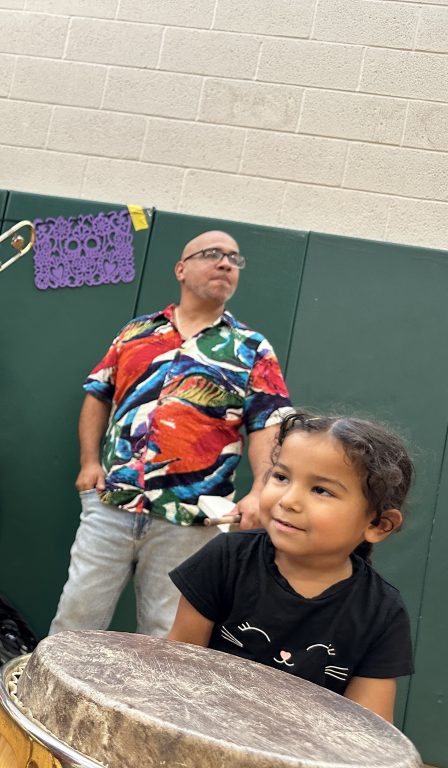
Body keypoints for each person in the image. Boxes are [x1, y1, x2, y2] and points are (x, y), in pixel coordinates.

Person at [49, 230, 293, 638]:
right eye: (212, 254)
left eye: (234, 258)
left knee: (166, 638)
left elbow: (267, 422)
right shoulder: (137, 332)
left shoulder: (251, 348)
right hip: (112, 505)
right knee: (75, 619)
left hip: (190, 523)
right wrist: (89, 462)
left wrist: (260, 491)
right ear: (181, 269)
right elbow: (97, 393)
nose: (226, 263)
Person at [168, 413, 414, 722]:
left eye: (321, 490)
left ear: (378, 524)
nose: (289, 500)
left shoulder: (382, 612)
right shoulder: (225, 558)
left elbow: (366, 731)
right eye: (282, 477)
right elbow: (175, 668)